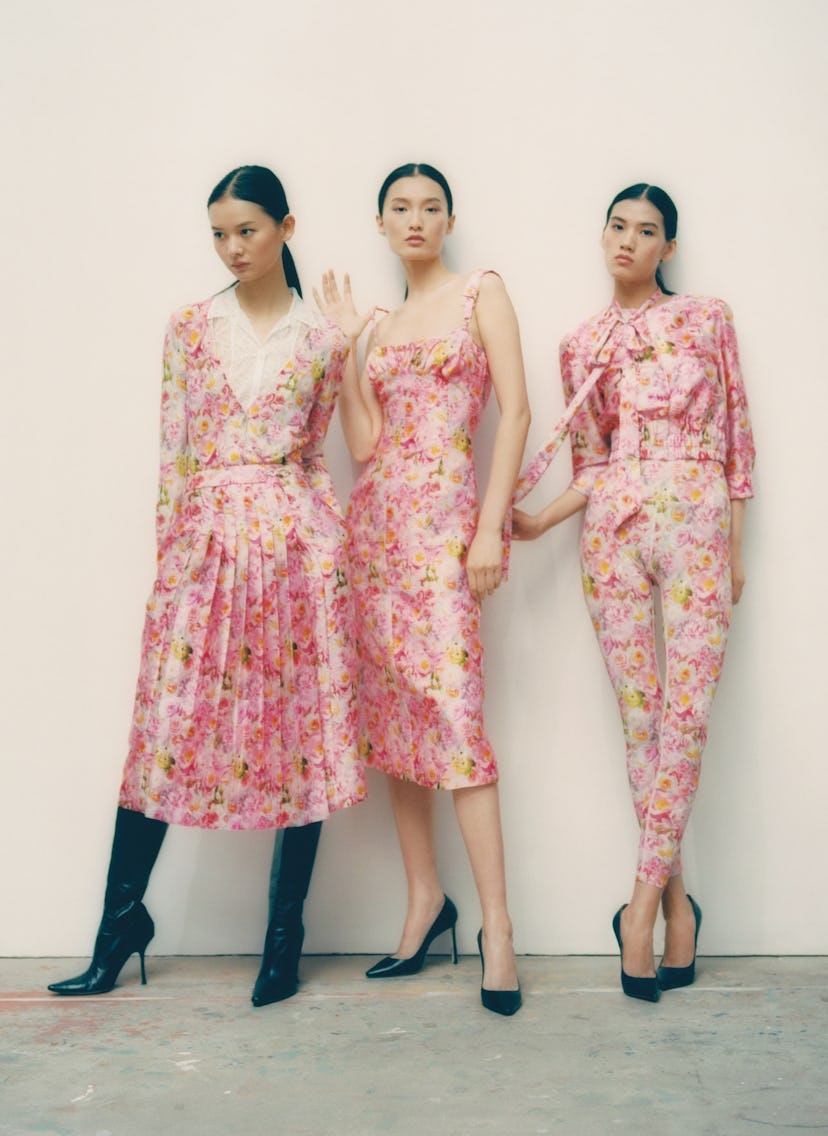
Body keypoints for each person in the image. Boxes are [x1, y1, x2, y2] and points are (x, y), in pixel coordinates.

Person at [48, 165, 365, 1006]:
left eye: (247, 231)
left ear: (286, 228)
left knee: (300, 737)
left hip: (297, 557)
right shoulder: (189, 328)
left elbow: (318, 455)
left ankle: (283, 940)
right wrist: (170, 570)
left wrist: (327, 549)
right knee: (162, 730)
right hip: (206, 550)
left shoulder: (321, 337)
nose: (232, 248)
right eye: (219, 234)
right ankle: (119, 927)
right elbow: (174, 459)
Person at [512, 183, 755, 1002]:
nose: (627, 240)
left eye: (646, 231)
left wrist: (736, 546)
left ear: (668, 247)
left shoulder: (707, 318)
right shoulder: (580, 343)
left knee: (687, 716)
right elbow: (589, 461)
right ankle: (680, 905)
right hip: (610, 528)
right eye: (616, 225)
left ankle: (642, 908)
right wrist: (543, 520)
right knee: (643, 720)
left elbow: (737, 441)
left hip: (694, 517)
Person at [317, 162, 530, 1015]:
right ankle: (422, 903)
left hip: (447, 535)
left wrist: (487, 526)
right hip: (376, 540)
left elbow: (514, 413)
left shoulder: (482, 292)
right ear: (380, 223)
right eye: (400, 208)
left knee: (457, 724)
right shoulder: (378, 322)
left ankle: (500, 930)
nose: (416, 219)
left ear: (450, 219)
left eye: (430, 206)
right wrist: (343, 351)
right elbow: (365, 445)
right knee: (399, 726)